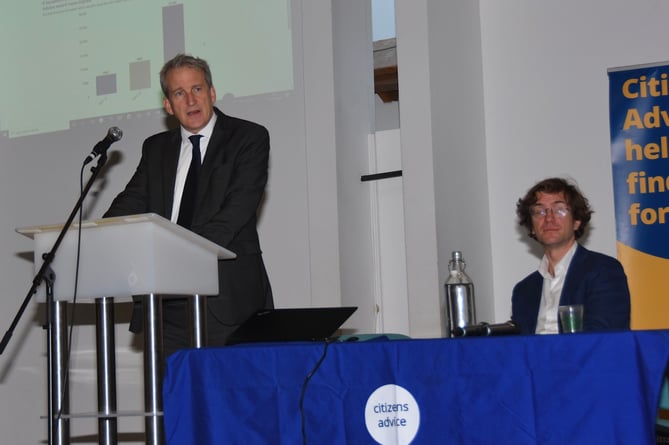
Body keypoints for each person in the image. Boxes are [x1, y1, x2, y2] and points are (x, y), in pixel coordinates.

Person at [104, 54, 273, 355]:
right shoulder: (156, 148)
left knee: (228, 398)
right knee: (174, 398)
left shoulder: (248, 137)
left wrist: (177, 256)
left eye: (197, 89)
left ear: (212, 92)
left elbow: (236, 211)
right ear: (168, 105)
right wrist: (96, 236)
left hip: (226, 302)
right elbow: (130, 202)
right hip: (166, 305)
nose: (191, 100)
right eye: (179, 93)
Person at [511, 177, 630, 335]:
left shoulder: (603, 271)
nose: (549, 218)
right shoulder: (524, 290)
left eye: (559, 210)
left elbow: (603, 338)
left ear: (577, 221)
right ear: (532, 227)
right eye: (540, 211)